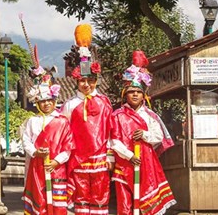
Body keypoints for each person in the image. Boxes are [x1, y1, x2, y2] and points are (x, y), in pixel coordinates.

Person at [110, 50, 176, 215]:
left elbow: (158, 137)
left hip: (145, 163)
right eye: (131, 92)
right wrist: (129, 156)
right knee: (124, 205)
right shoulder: (117, 115)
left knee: (145, 204)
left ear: (143, 95)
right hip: (124, 165)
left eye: (138, 92)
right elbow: (113, 141)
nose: (135, 94)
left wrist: (145, 135)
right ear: (125, 95)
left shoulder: (150, 116)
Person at [60, 24, 114, 214]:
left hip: (99, 156)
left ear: (96, 81)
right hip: (78, 158)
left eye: (90, 81)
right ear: (76, 81)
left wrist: (110, 154)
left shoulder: (104, 102)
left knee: (100, 194)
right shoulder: (70, 105)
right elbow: (63, 132)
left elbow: (110, 130)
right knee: (81, 195)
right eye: (82, 81)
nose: (86, 84)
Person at [22, 73, 74, 215]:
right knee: (40, 201)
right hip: (37, 166)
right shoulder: (33, 121)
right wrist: (35, 152)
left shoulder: (62, 121)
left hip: (57, 168)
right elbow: (26, 140)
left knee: (57, 204)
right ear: (37, 103)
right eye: (43, 101)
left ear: (54, 101)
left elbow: (68, 147)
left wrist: (56, 162)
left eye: (49, 100)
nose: (46, 104)